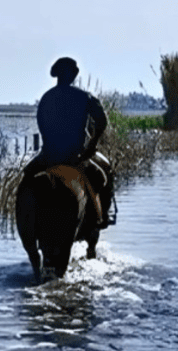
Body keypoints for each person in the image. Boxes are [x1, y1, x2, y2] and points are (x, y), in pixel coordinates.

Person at [21, 57, 114, 228]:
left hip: (48, 156)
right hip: (76, 157)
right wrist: (91, 145)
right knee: (102, 176)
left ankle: (25, 225)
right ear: (72, 75)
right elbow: (102, 121)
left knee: (26, 178)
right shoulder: (85, 97)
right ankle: (101, 217)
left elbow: (43, 125)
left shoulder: (46, 98)